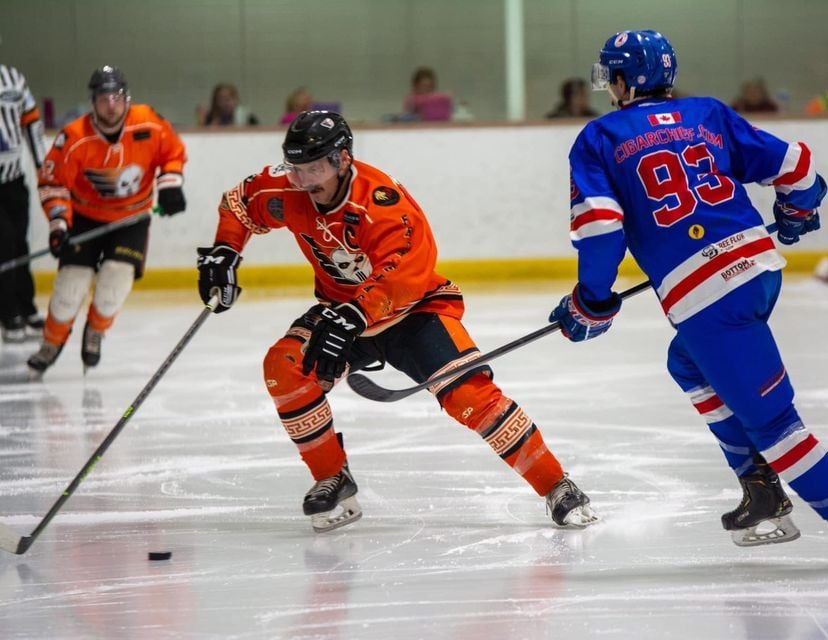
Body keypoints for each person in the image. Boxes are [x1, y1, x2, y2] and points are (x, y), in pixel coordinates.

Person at [550, 30, 828, 566]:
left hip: (709, 297)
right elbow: (797, 168)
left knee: (771, 419)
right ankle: (759, 489)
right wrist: (796, 210)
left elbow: (602, 226)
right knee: (687, 363)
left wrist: (591, 300)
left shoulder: (600, 137)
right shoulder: (708, 114)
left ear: (622, 80)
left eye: (612, 77)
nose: (610, 88)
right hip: (759, 271)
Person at [196, 110, 595, 533]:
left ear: (342, 160)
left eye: (314, 169)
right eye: (297, 169)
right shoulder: (289, 189)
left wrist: (355, 314)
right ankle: (332, 476)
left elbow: (408, 273)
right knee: (285, 367)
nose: (305, 181)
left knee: (470, 396)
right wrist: (225, 252)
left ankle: (556, 485)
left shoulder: (379, 203)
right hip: (344, 312)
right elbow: (239, 203)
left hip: (415, 312)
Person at [27, 65, 187, 377]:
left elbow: (172, 153)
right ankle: (51, 342)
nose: (111, 104)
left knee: (115, 281)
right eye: (103, 98)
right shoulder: (73, 137)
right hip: (85, 218)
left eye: (117, 96)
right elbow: (53, 182)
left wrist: (170, 185)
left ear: (127, 98)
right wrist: (59, 224)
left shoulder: (148, 122)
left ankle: (95, 331)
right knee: (69, 288)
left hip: (132, 218)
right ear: (93, 101)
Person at [0, 63, 46, 343]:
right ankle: (8, 313)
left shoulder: (14, 78)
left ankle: (25, 306)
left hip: (14, 180)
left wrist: (44, 166)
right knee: (3, 244)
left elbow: (31, 122)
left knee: (19, 243)